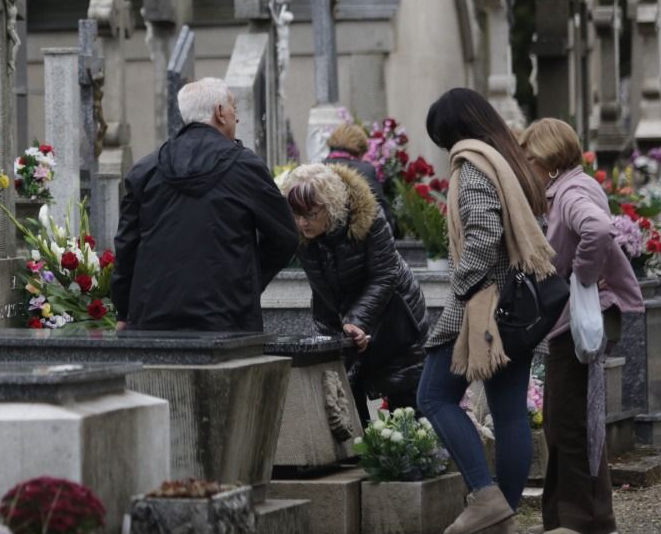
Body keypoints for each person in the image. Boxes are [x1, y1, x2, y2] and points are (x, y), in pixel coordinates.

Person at [415, 87, 556, 534]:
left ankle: (484, 496)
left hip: (483, 309)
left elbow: (483, 232)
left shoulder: (473, 164)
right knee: (509, 411)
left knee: (433, 396)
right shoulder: (509, 159)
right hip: (517, 308)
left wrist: (460, 285)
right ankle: (501, 524)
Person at [521, 118, 641, 534]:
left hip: (577, 320)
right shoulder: (572, 187)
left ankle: (587, 522)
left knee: (571, 419)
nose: (526, 165)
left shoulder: (570, 193)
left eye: (530, 158)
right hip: (573, 320)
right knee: (563, 417)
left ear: (549, 160)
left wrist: (582, 277)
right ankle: (564, 517)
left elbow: (599, 229)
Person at [112, 78, 298, 332]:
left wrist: (123, 310)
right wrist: (245, 281)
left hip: (152, 317)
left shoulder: (145, 170)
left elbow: (126, 246)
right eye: (233, 108)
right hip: (229, 317)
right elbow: (285, 236)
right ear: (219, 112)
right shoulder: (245, 167)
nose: (237, 117)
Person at [282, 163, 426, 423]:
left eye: (311, 214)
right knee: (344, 403)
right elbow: (321, 289)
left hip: (396, 318)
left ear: (330, 206)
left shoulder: (367, 218)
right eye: (297, 214)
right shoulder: (301, 233)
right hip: (342, 319)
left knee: (406, 408)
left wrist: (357, 321)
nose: (302, 222)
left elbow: (386, 274)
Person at [324, 122, 397, 235]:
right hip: (358, 239)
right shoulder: (366, 171)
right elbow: (381, 212)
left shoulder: (317, 168)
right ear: (360, 150)